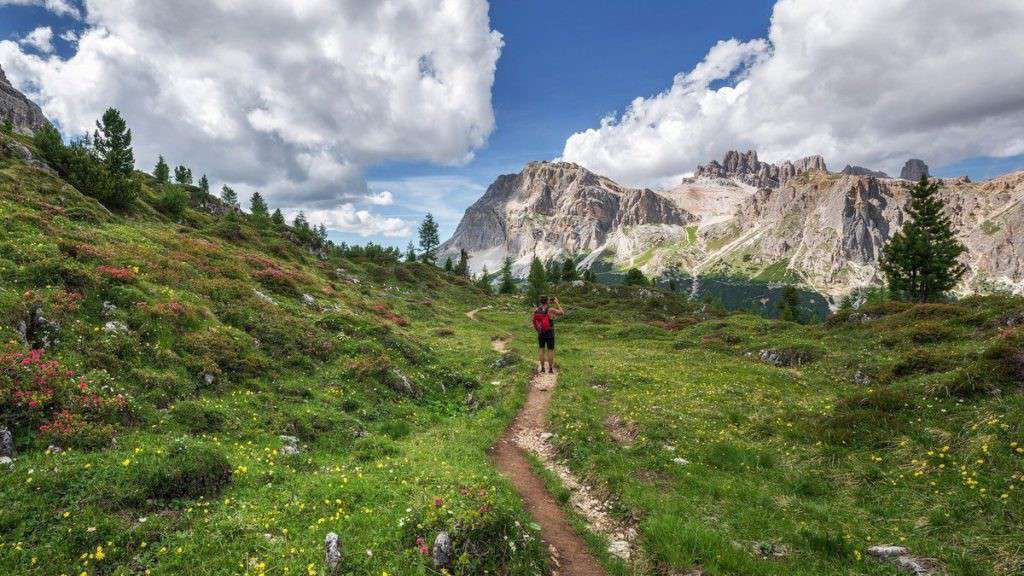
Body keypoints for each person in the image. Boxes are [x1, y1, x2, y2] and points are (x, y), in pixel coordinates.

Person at [532, 295, 563, 373]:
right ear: (547, 301)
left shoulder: (537, 309)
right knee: (550, 350)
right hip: (549, 332)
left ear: (540, 301)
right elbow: (561, 312)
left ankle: (542, 368)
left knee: (541, 350)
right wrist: (557, 303)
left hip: (541, 332)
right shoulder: (550, 309)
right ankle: (550, 369)